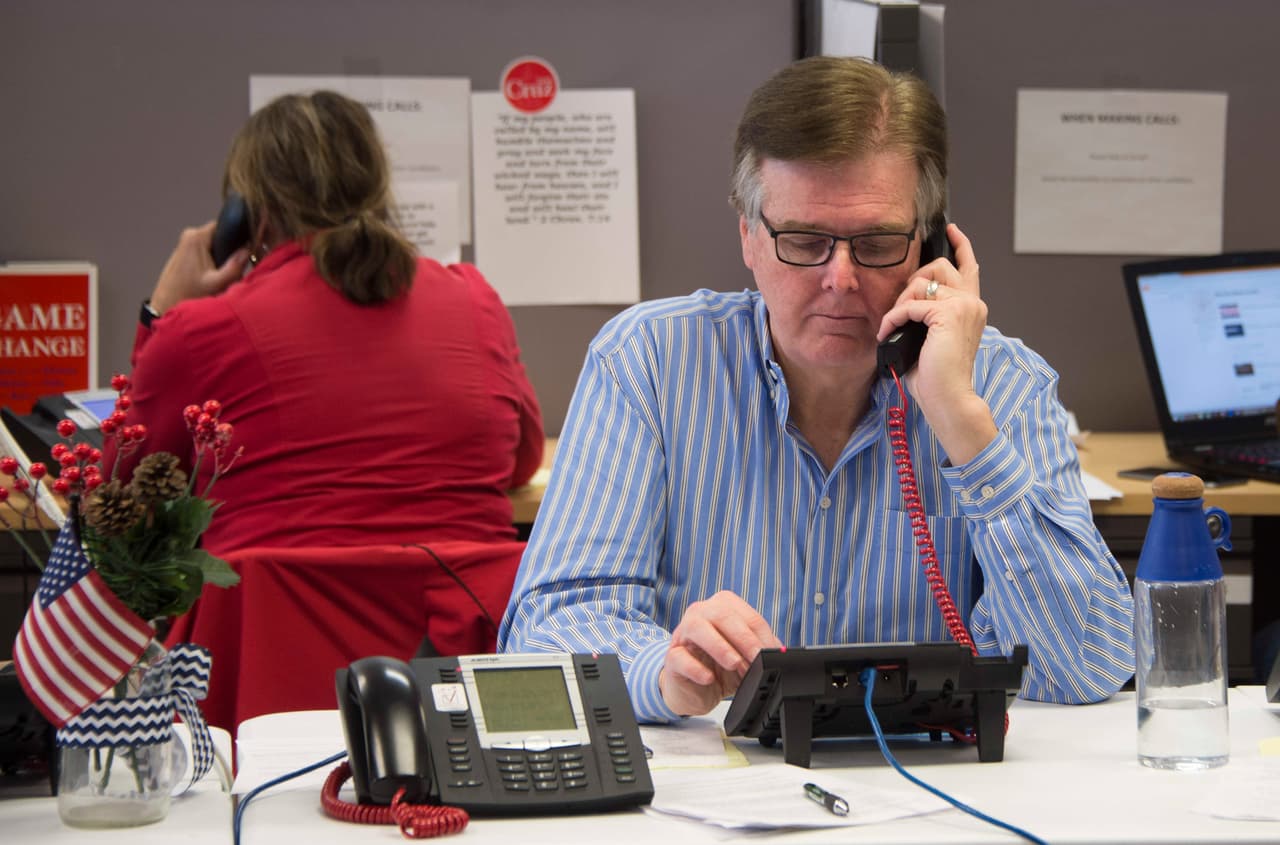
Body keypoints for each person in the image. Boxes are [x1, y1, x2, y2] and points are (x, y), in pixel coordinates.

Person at [498, 56, 1135, 722]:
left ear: (930, 245)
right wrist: (657, 670)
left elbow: (1085, 665)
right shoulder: (649, 365)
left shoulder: (1001, 385)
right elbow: (540, 639)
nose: (841, 278)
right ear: (747, 234)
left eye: (878, 241)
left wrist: (959, 421)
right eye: (803, 240)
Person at [106, 90, 543, 554]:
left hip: (271, 624)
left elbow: (124, 488)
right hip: (458, 622)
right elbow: (521, 460)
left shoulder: (201, 330)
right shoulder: (474, 300)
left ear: (251, 213)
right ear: (379, 190)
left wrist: (160, 312)